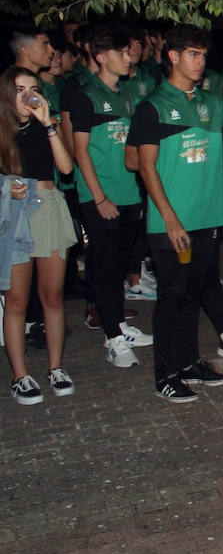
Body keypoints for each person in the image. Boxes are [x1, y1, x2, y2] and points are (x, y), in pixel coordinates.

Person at [129, 25, 223, 403]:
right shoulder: (153, 106)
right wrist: (170, 219)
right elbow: (145, 167)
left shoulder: (210, 102)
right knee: (172, 298)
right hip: (172, 223)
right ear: (173, 56)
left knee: (192, 296)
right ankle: (165, 374)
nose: (200, 62)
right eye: (193, 55)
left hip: (207, 219)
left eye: (203, 55)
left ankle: (189, 362)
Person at [70, 30, 155, 370]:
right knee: (105, 267)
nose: (128, 57)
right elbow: (80, 151)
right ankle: (113, 339)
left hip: (129, 193)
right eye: (120, 53)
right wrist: (99, 197)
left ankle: (119, 325)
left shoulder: (127, 95)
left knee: (119, 266)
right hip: (101, 196)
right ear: (100, 56)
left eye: (128, 52)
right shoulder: (86, 96)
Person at [2, 68, 77, 405]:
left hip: (47, 206)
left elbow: (66, 168)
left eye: (33, 89)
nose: (27, 96)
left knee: (53, 295)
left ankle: (55, 368)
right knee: (17, 300)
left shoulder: (45, 125)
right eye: (19, 89)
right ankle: (20, 376)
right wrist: (6, 188)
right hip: (14, 215)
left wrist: (48, 123)